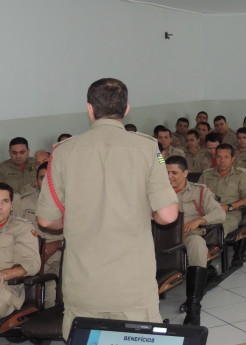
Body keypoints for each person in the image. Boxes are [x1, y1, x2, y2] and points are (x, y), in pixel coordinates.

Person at [36, 78, 179, 339]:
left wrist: (76, 218)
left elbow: (46, 221)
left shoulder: (62, 152)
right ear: (126, 109)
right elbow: (168, 215)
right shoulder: (149, 148)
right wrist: (145, 212)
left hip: (84, 283)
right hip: (132, 284)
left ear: (90, 109)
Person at [165, 156, 225, 325]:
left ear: (185, 173)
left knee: (198, 245)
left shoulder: (199, 191)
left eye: (174, 173)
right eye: (166, 173)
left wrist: (199, 220)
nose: (169, 177)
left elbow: (219, 214)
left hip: (187, 234)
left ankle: (193, 306)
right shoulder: (157, 190)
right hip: (161, 235)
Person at [198, 143, 246, 266]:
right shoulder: (207, 174)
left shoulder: (241, 174)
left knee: (215, 229)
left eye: (226, 157)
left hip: (230, 213)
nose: (222, 160)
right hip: (207, 212)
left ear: (232, 159)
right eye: (219, 157)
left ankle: (205, 262)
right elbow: (197, 196)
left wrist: (229, 207)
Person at [16, 162, 63, 308]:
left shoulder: (69, 204)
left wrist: (58, 244)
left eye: (50, 179)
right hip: (28, 256)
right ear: (36, 181)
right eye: (42, 178)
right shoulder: (24, 202)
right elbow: (14, 232)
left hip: (57, 258)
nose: (46, 182)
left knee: (50, 291)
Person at [0, 182, 41, 318]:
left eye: (5, 201)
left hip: (6, 289)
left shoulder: (22, 228)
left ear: (12, 205)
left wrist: (3, 274)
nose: (0, 206)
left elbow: (31, 264)